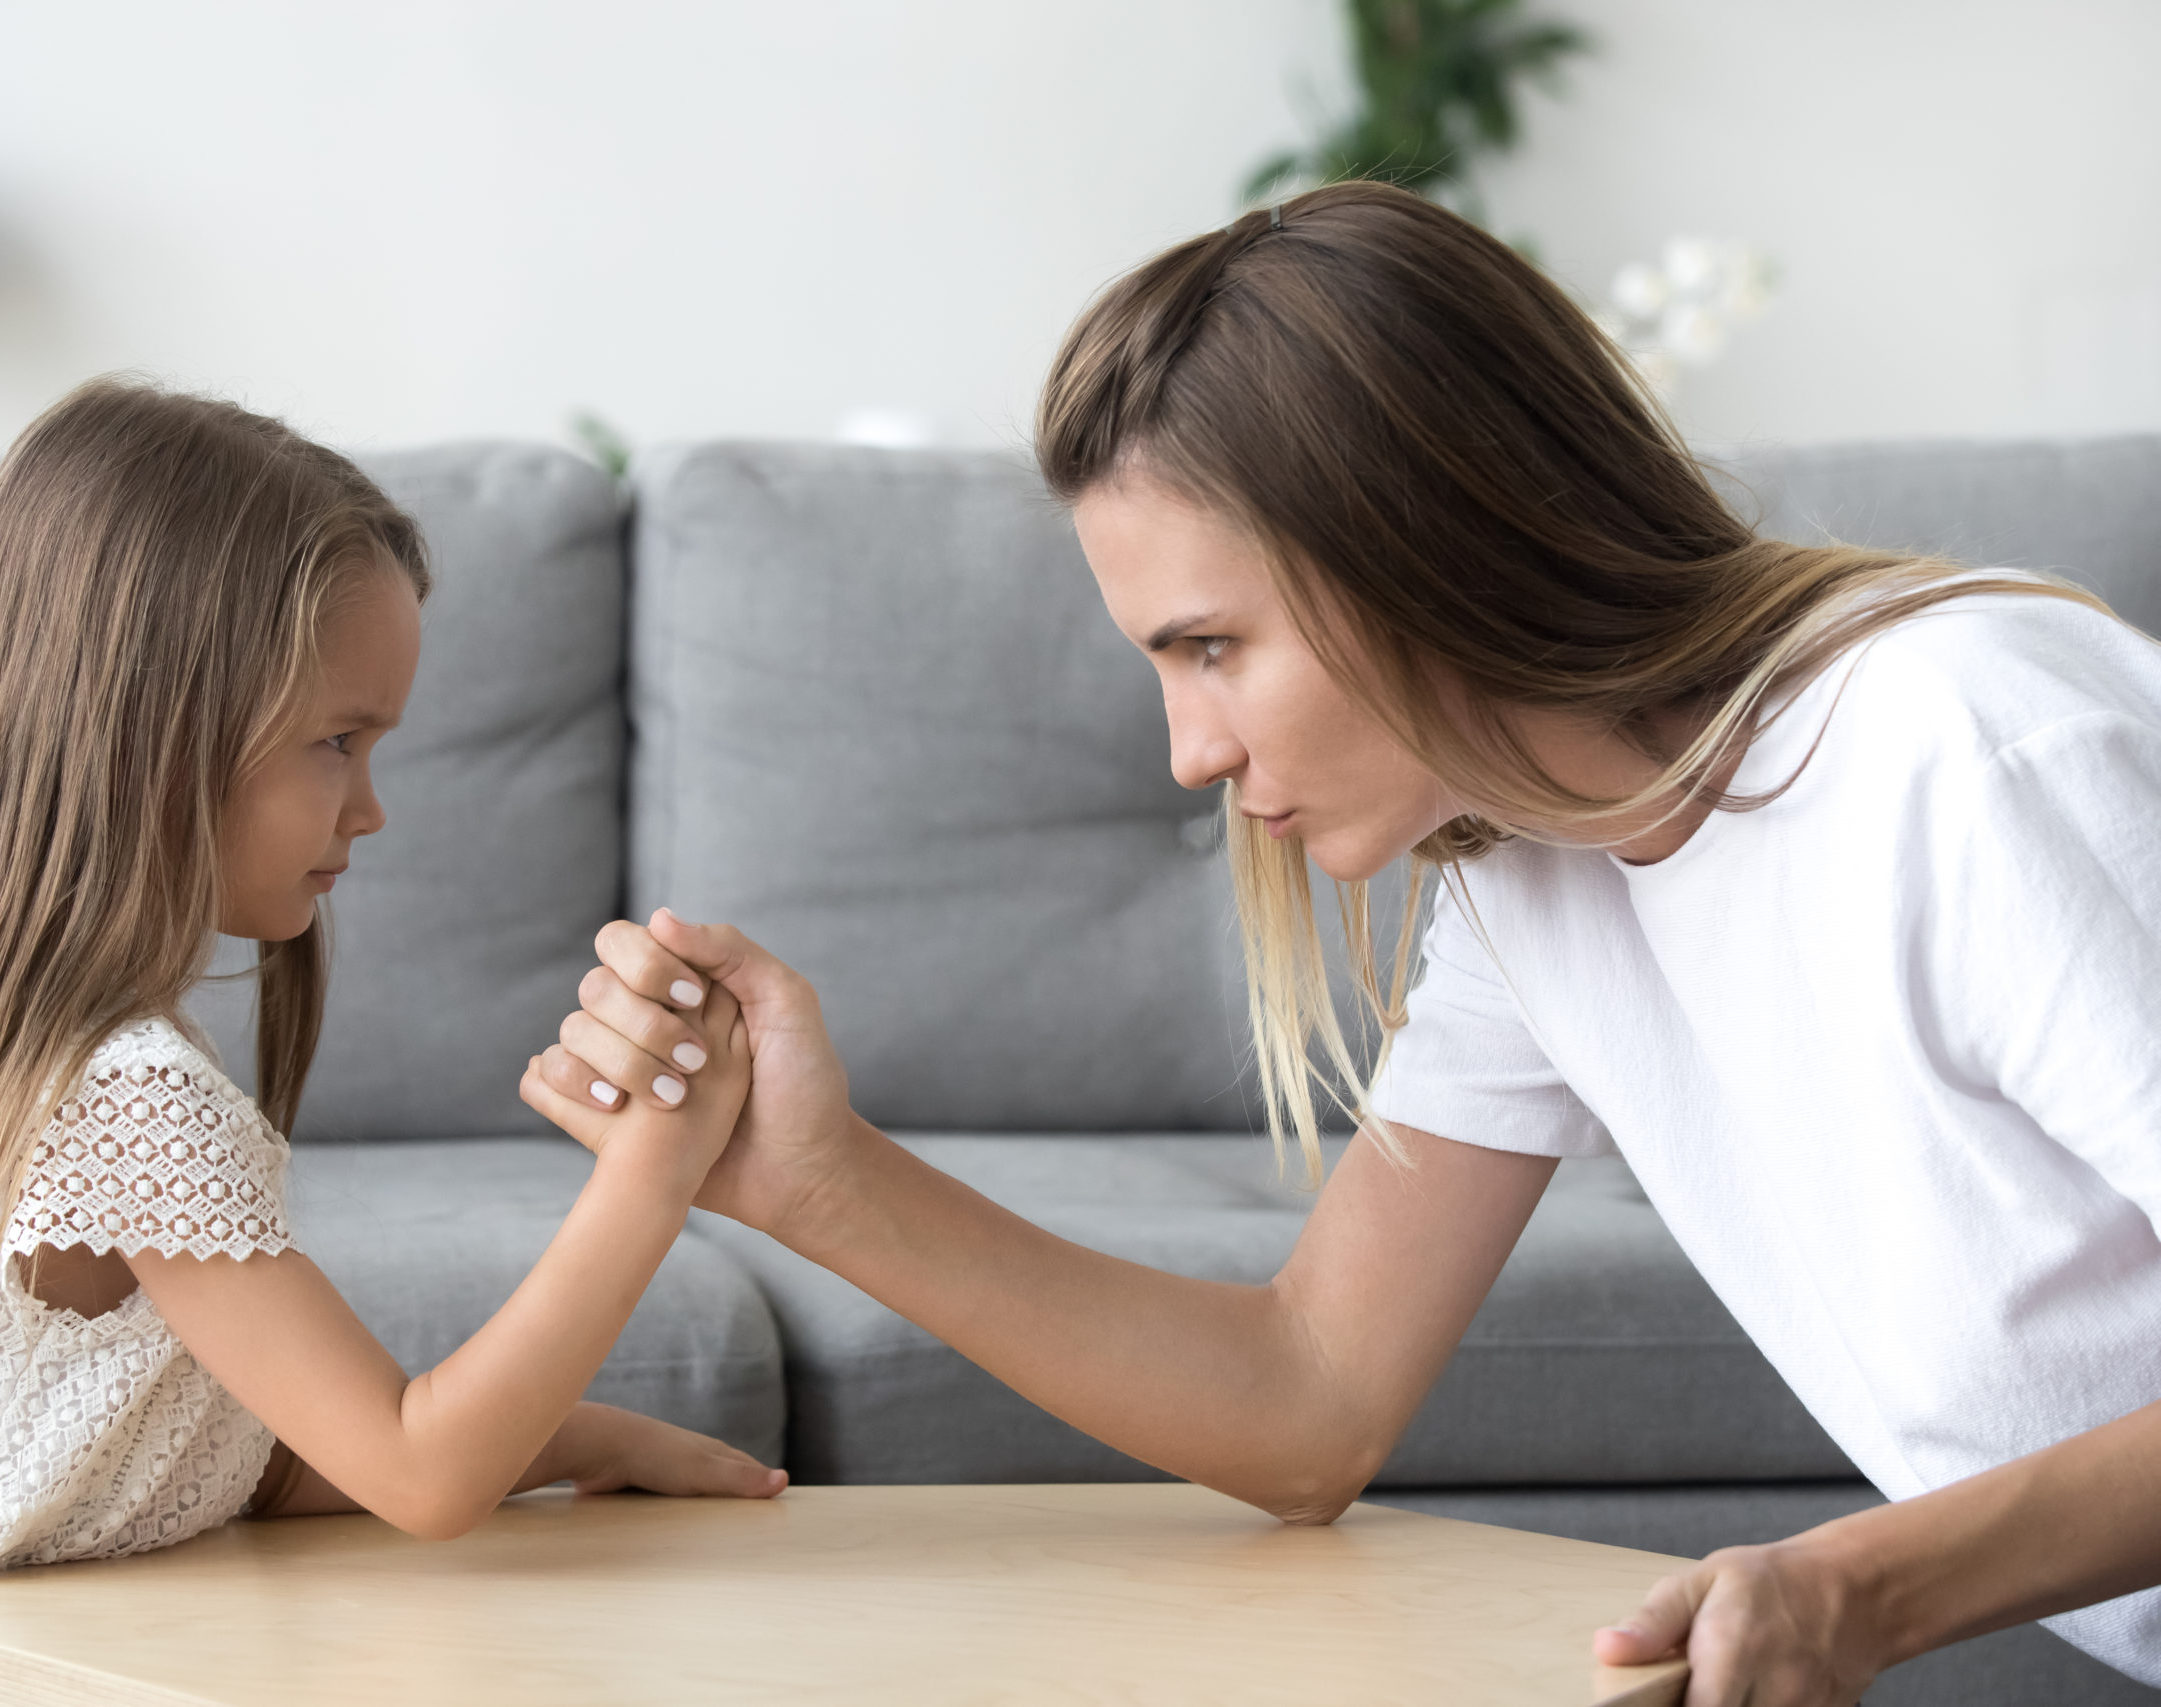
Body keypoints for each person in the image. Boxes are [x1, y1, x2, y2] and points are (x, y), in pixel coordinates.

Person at [521, 180, 2161, 1706]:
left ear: (1425, 539)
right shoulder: (1535, 879)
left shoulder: (1974, 749)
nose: (1190, 753)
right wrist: (820, 1179)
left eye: (1215, 646)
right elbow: (1306, 1405)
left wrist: (1870, 1588)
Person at [0, 381, 780, 1707]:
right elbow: (418, 1469)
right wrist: (655, 1165)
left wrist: (573, 1436)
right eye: (337, 742)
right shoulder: (131, 1097)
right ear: (149, 732)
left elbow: (162, 1460)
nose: (372, 809)